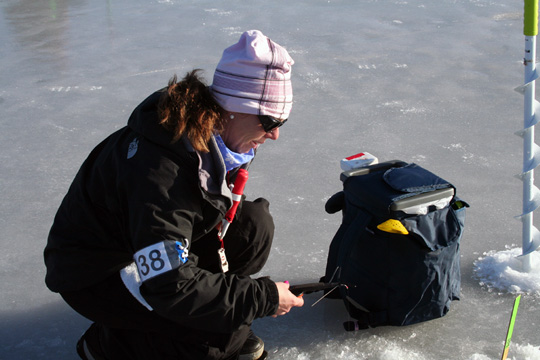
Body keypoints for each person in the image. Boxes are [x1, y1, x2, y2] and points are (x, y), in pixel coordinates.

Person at [44, 30, 304, 360]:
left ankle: (179, 325)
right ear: (233, 109)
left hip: (143, 241)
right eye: (269, 120)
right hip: (99, 271)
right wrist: (261, 298)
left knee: (254, 227)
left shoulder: (213, 138)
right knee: (216, 342)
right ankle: (108, 343)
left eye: (281, 121)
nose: (275, 134)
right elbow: (169, 284)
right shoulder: (162, 176)